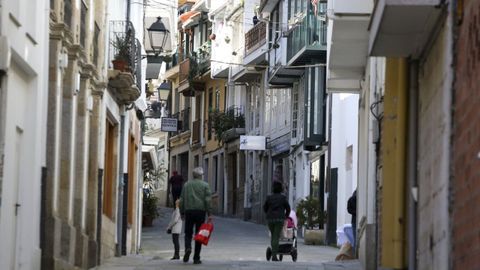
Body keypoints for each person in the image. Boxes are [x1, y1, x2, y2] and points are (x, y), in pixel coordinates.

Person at [179, 167, 212, 264]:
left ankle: (188, 248)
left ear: (193, 175)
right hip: (200, 212)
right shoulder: (205, 185)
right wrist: (209, 213)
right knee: (199, 235)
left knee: (188, 233)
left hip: (189, 211)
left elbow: (181, 200)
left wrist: (182, 212)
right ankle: (196, 258)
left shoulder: (187, 185)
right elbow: (207, 200)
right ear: (201, 176)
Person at [263, 181, 291, 261]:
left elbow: (265, 207)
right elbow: (288, 208)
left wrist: (268, 214)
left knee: (273, 235)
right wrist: (286, 216)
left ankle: (274, 252)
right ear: (281, 189)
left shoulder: (269, 197)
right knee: (276, 236)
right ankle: (274, 256)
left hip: (270, 219)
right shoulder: (283, 198)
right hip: (279, 219)